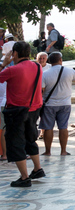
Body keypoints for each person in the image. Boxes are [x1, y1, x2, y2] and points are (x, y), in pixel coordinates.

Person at [0, 41, 45, 187]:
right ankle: (37, 169)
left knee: (15, 143)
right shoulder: (37, 66)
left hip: (17, 111)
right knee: (30, 139)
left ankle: (24, 177)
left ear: (15, 53)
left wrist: (4, 64)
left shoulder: (12, 70)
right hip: (34, 109)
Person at [39, 52, 75, 156]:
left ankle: (48, 151)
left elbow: (42, 90)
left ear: (49, 61)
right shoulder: (69, 71)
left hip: (49, 104)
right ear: (60, 60)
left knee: (48, 128)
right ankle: (63, 151)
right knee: (63, 127)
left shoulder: (45, 74)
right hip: (65, 103)